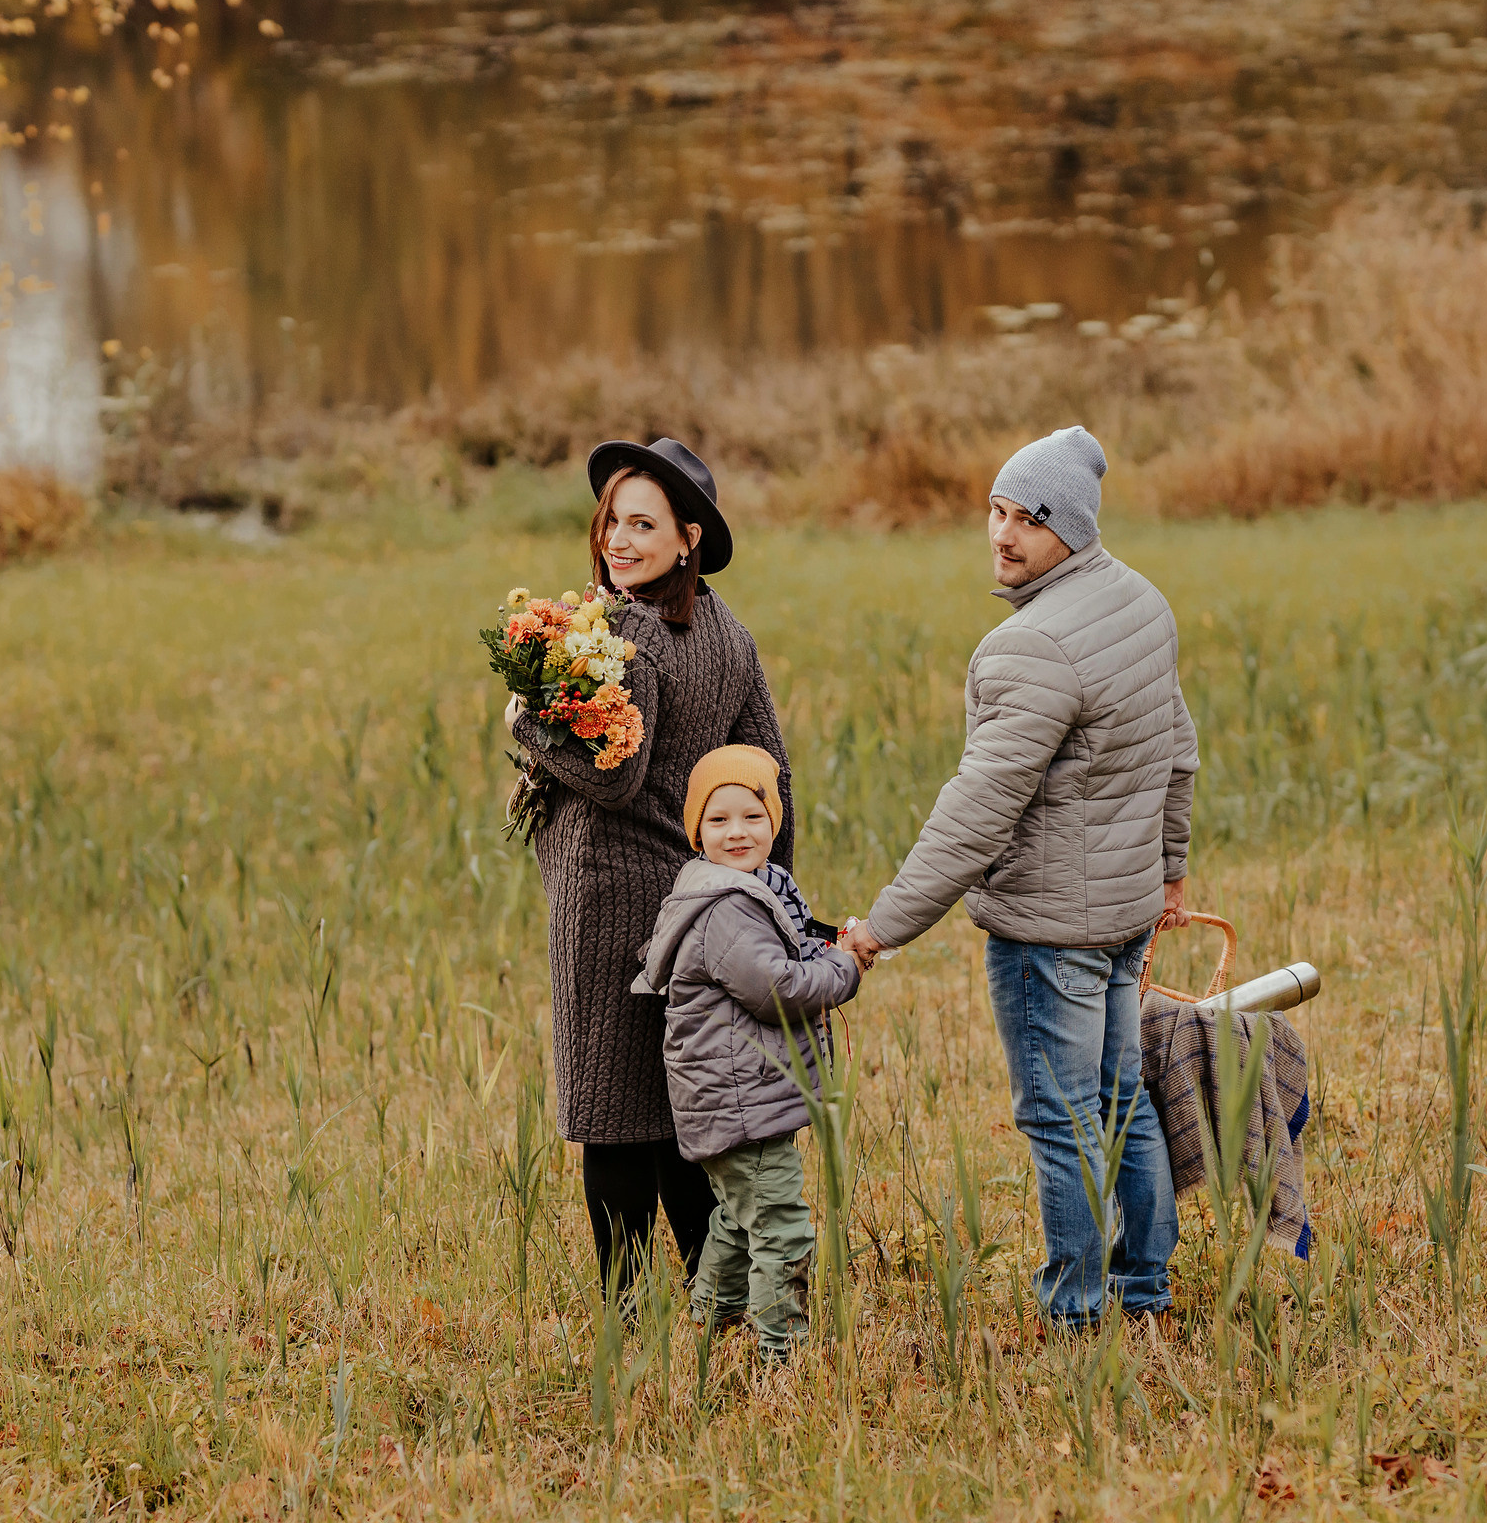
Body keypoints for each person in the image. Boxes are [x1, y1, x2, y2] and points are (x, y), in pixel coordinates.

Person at [843, 425, 1198, 1332]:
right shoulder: (1141, 601)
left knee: (1063, 1117)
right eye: (996, 511)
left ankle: (1079, 1313)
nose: (1002, 534)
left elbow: (977, 810)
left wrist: (882, 926)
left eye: (1028, 519)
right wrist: (1165, 873)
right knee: (1123, 1099)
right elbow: (1180, 753)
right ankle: (1144, 1291)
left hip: (1051, 933)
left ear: (1071, 529)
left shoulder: (1032, 647)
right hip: (1121, 913)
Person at [508, 437, 796, 1298]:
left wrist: (529, 721)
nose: (618, 542)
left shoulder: (629, 627)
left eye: (644, 524)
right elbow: (771, 768)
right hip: (695, 907)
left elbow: (614, 773)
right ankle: (726, 1301)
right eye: (611, 523)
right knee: (675, 1113)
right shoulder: (725, 629)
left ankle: (628, 1316)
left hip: (611, 901)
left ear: (690, 537)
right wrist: (768, 894)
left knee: (611, 1117)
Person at [631, 746, 871, 1363]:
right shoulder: (728, 909)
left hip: (738, 1096)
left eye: (751, 816)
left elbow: (789, 957)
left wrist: (827, 949)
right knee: (782, 1228)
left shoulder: (760, 891)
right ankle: (779, 1357)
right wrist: (844, 968)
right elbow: (779, 990)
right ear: (696, 832)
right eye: (718, 821)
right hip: (738, 1102)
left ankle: (710, 1321)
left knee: (741, 1219)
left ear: (775, 822)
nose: (737, 832)